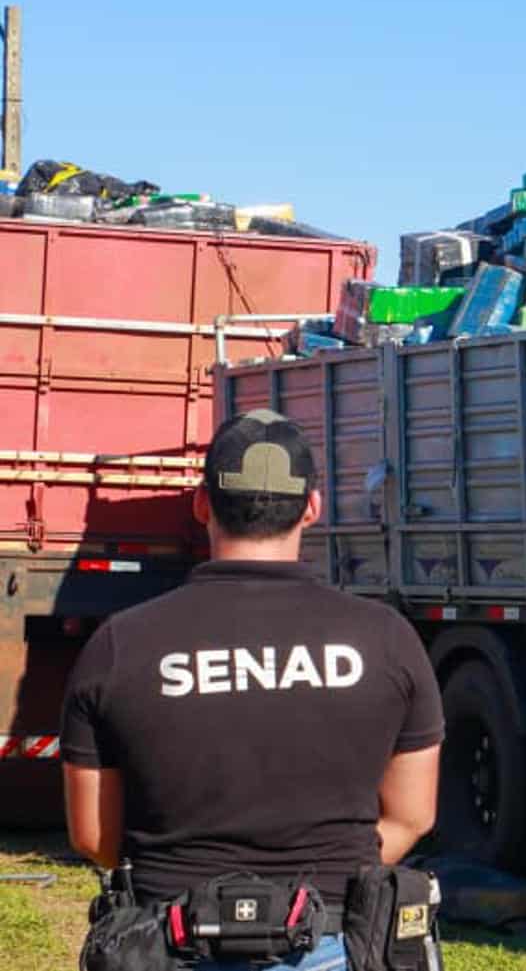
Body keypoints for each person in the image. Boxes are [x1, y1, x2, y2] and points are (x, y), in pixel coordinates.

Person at [60, 409, 444, 971]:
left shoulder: (120, 645)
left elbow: (94, 834)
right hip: (329, 941)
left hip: (171, 940)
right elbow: (412, 816)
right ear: (311, 507)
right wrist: (309, 891)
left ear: (201, 504)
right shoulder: (388, 640)